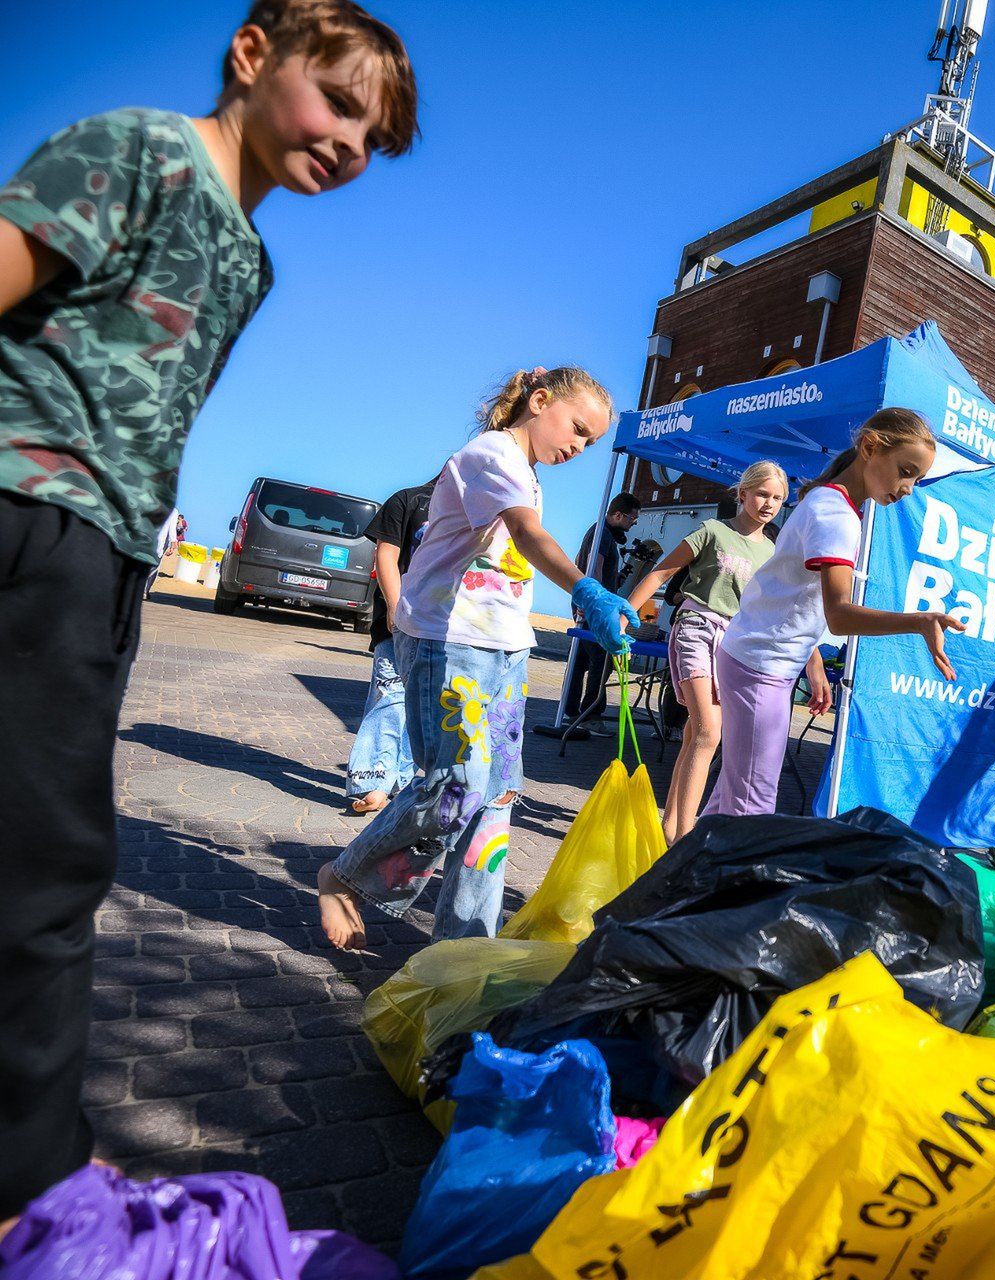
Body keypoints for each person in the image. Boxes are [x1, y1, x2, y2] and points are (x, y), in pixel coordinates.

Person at [0, 0, 418, 1215]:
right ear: (252, 54)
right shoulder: (142, 150)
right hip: (30, 507)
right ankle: (30, 1180)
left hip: (110, 553)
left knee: (40, 854)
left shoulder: (252, 258)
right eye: (338, 103)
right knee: (45, 868)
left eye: (372, 139)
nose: (348, 144)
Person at [315, 366, 640, 951]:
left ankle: (464, 947)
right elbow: (528, 535)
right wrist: (586, 589)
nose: (579, 447)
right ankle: (346, 876)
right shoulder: (492, 455)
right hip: (449, 643)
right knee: (457, 787)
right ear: (539, 400)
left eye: (591, 442)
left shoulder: (528, 473)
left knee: (496, 799)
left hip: (506, 650)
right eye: (577, 428)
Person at [705, 410, 961, 818]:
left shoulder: (828, 501)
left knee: (733, 797)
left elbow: (793, 600)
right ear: (870, 447)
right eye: (906, 471)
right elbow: (838, 616)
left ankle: (689, 859)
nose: (908, 488)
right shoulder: (836, 515)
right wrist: (918, 621)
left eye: (917, 478)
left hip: (756, 659)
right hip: (760, 666)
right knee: (750, 807)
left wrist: (812, 665)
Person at [627, 461, 827, 841]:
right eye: (762, 494)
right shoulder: (712, 531)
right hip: (697, 628)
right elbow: (662, 572)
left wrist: (814, 664)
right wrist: (624, 616)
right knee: (708, 732)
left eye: (777, 498)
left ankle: (670, 827)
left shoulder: (774, 553)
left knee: (696, 733)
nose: (769, 504)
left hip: (737, 643)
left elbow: (792, 610)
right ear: (743, 493)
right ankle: (684, 840)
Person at [345, 475, 435, 812]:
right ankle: (373, 781)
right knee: (390, 695)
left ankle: (399, 780)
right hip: (398, 621)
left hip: (444, 627)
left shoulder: (477, 511)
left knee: (419, 706)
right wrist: (396, 608)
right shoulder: (408, 500)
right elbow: (386, 554)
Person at [561, 490, 640, 729]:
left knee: (580, 659)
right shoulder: (603, 535)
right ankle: (591, 715)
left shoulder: (595, 532)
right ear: (618, 515)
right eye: (632, 519)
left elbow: (579, 561)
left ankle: (571, 710)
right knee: (602, 659)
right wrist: (593, 602)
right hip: (595, 607)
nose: (633, 524)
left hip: (588, 603)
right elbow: (594, 567)